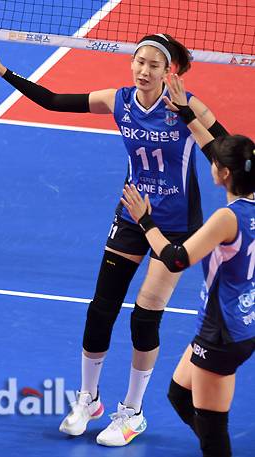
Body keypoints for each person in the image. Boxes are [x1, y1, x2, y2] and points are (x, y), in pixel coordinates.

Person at [0, 29, 229, 446]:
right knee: (100, 310)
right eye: (139, 62)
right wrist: (2, 70)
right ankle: (89, 399)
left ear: (168, 71)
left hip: (174, 224)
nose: (144, 71)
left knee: (144, 317)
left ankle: (132, 412)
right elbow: (53, 101)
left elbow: (227, 155)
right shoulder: (119, 101)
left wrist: (188, 114)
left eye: (153, 65)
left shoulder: (187, 105)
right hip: (132, 213)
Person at [121, 73, 255, 457]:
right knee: (179, 395)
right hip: (239, 322)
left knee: (213, 434)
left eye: (216, 163)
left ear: (223, 174)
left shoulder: (227, 219)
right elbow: (216, 148)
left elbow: (176, 258)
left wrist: (145, 221)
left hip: (222, 333)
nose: (210, 162)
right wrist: (185, 113)